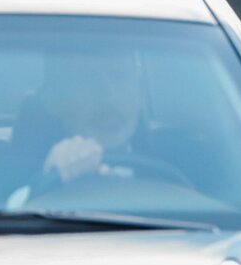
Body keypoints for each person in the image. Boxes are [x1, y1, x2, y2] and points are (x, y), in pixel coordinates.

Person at [12, 50, 145, 186]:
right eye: (88, 80)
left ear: (140, 93)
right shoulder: (19, 198)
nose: (108, 97)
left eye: (120, 77)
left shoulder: (166, 167)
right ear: (53, 101)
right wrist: (50, 181)